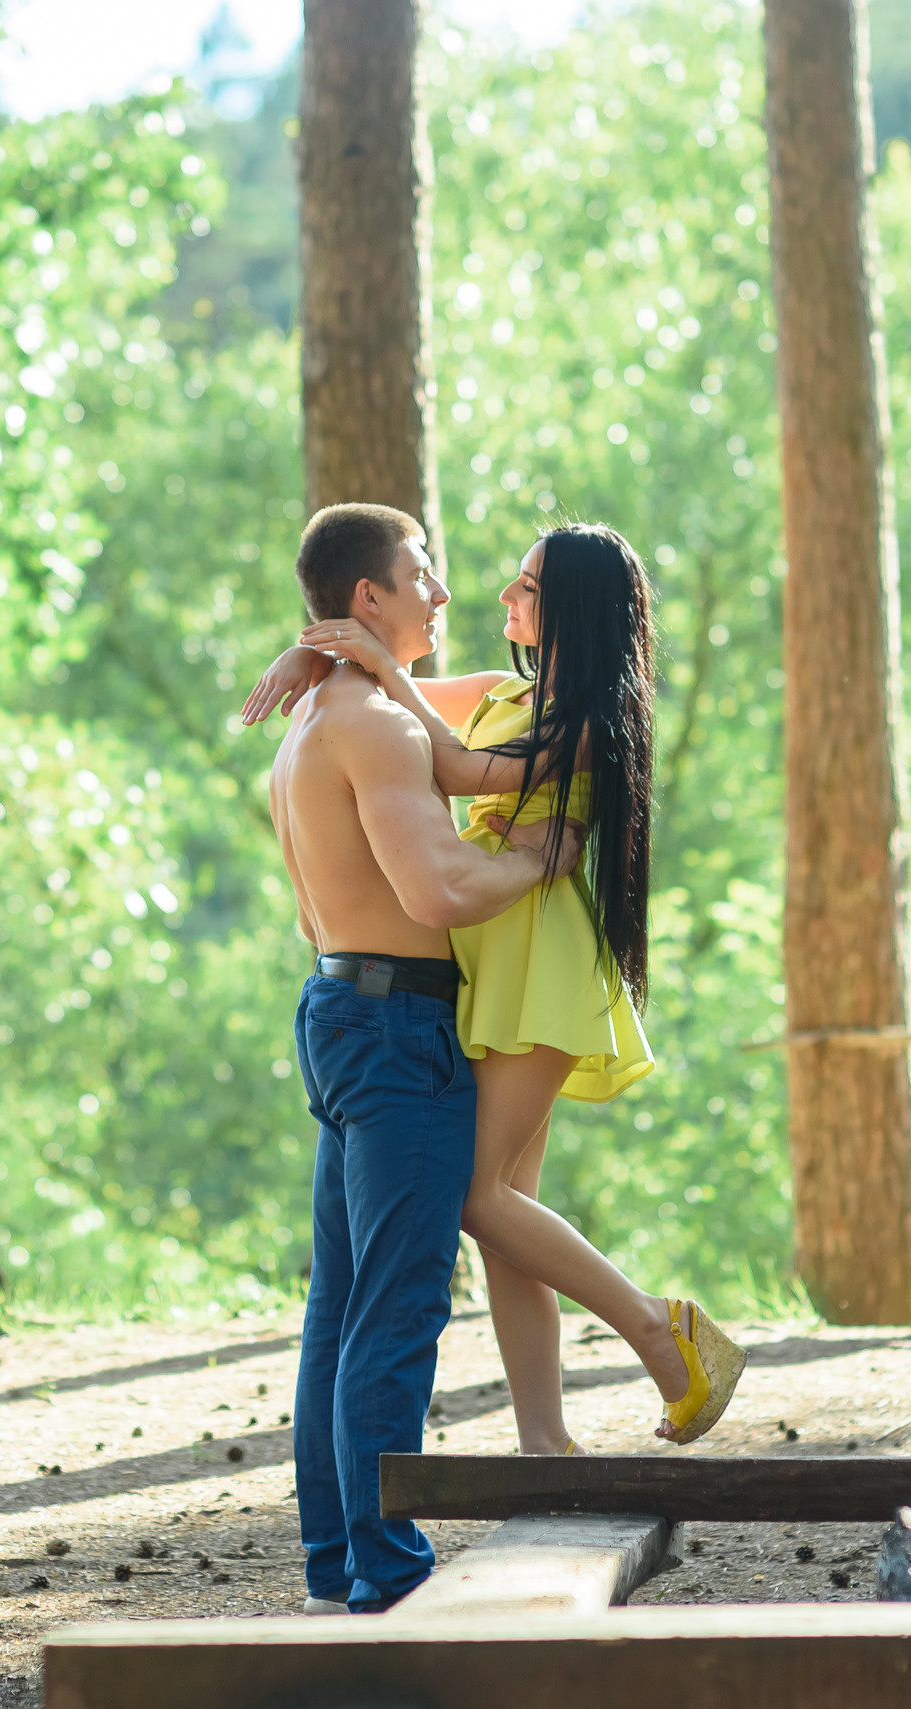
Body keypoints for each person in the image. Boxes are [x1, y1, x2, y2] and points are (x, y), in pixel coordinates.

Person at [246, 521, 747, 1466]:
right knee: (508, 1212)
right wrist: (309, 649)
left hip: (541, 961)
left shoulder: (591, 720)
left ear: (571, 609)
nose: (503, 598)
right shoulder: (504, 694)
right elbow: (380, 699)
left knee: (476, 1196)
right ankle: (547, 1443)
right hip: (488, 955)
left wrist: (383, 674)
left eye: (526, 586)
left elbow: (464, 768)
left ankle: (660, 1330)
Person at [265, 502, 586, 1615]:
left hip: (337, 1008)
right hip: (397, 1026)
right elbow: (439, 888)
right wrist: (544, 859)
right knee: (396, 1308)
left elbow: (464, 757)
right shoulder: (378, 727)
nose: (443, 593)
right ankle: (388, 1578)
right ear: (370, 598)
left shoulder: (314, 714)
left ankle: (335, 1565)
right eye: (423, 572)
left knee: (342, 1304)